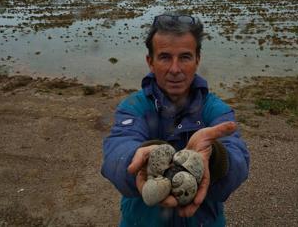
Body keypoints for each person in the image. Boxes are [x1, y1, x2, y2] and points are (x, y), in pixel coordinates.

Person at [101, 13, 250, 226]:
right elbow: (116, 152)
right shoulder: (133, 107)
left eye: (185, 57)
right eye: (164, 57)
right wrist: (142, 158)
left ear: (197, 60)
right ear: (150, 61)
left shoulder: (216, 109)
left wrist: (214, 158)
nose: (175, 69)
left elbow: (239, 162)